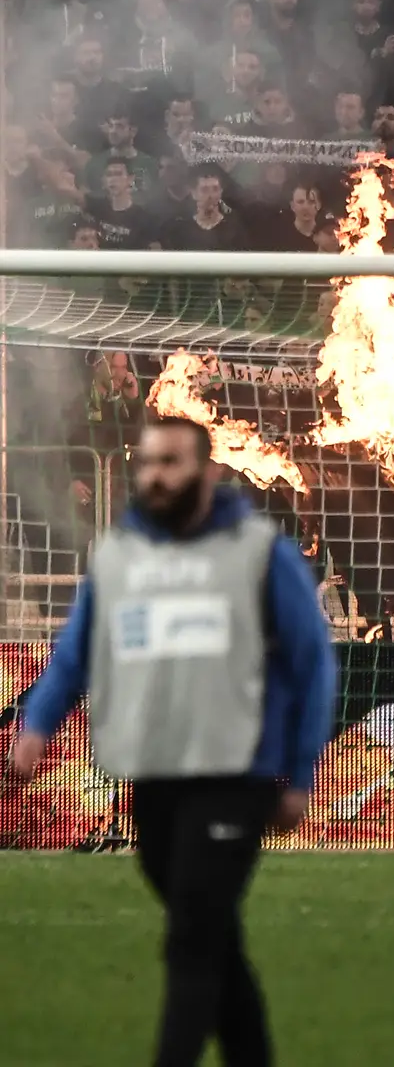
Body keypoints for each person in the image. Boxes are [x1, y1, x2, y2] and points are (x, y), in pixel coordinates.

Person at [10, 416, 337, 1067]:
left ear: (208, 472)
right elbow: (74, 654)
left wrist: (300, 773)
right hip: (154, 775)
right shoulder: (121, 558)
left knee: (190, 935)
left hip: (234, 775)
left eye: (172, 462)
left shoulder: (259, 554)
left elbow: (314, 664)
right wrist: (36, 726)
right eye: (149, 462)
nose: (157, 475)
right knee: (212, 933)